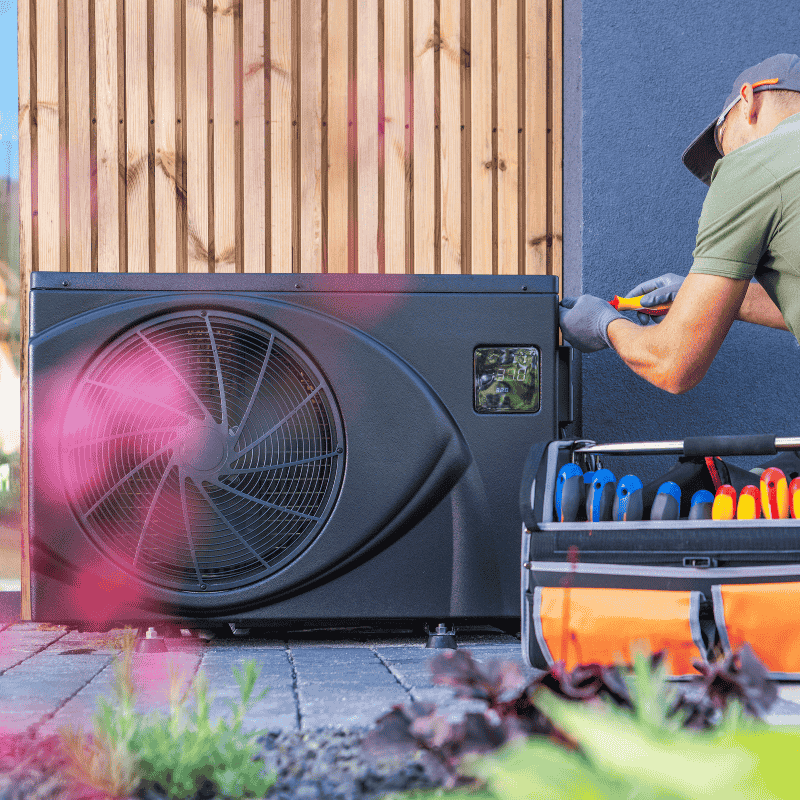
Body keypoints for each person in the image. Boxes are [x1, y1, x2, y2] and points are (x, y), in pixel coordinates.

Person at [559, 53, 800, 394]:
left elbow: (672, 364)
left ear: (750, 101)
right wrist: (726, 299)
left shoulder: (754, 164)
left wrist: (604, 324)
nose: (726, 162)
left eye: (722, 141)